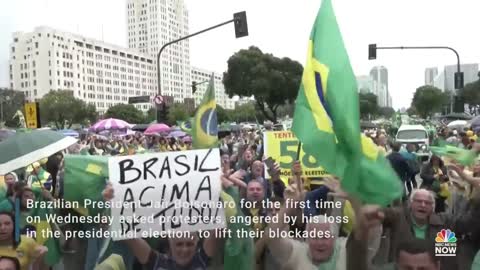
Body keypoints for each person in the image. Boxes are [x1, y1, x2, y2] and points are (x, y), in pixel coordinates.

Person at [101, 184, 219, 270]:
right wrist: (114, 202)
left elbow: (220, 224)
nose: (184, 249)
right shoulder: (157, 262)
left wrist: (217, 189)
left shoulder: (200, 259)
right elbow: (126, 232)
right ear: (170, 241)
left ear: (197, 241)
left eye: (189, 244)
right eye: (179, 244)